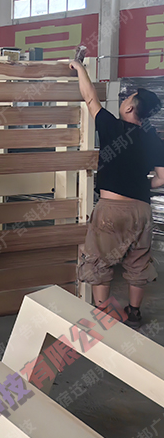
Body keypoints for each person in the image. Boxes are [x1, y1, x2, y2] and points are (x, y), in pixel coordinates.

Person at [71, 60, 164, 328]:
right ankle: (134, 313)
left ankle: (103, 313)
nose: (124, 101)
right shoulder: (154, 140)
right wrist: (138, 187)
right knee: (138, 261)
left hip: (111, 210)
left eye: (128, 98)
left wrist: (79, 68)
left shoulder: (113, 127)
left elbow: (90, 98)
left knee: (100, 259)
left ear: (130, 108)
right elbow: (162, 178)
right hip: (141, 211)